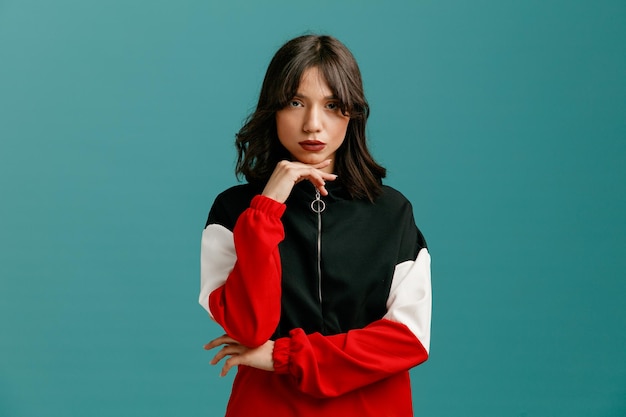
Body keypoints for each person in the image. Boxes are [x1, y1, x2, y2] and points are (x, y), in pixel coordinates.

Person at [199, 34, 432, 417]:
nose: (312, 124)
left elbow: (408, 340)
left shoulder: (392, 212)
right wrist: (266, 209)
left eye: (332, 105)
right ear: (272, 110)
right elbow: (249, 327)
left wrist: (286, 355)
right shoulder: (234, 211)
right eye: (295, 103)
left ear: (352, 114)